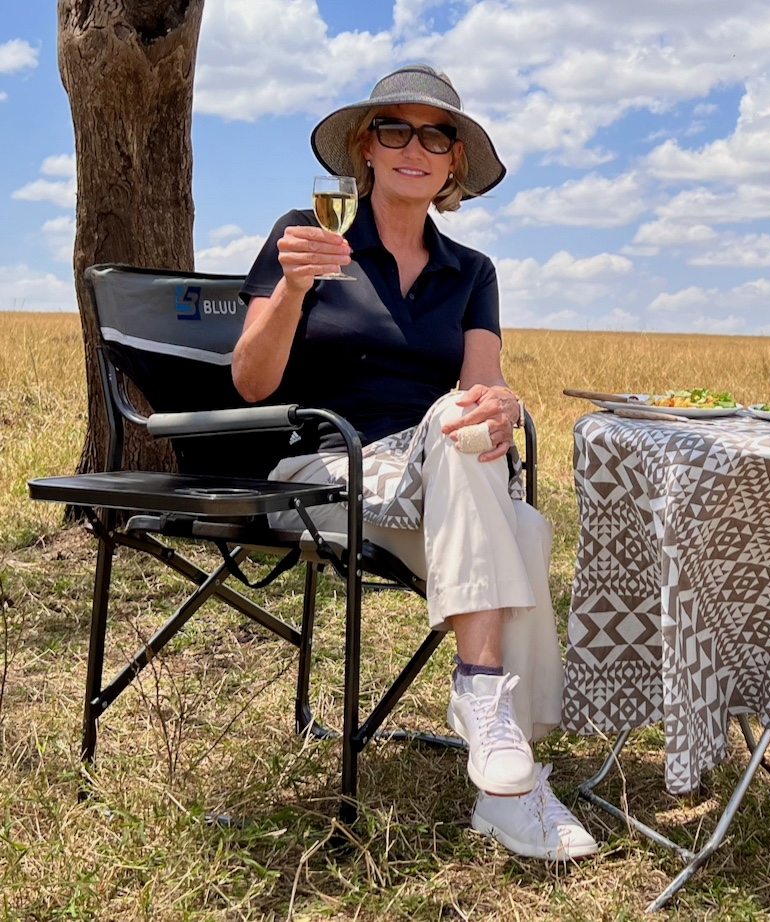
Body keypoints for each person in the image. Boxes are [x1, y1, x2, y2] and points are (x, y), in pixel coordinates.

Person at [232, 64, 597, 861]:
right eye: (394, 129)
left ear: (453, 164)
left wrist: (498, 408)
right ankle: (504, 746)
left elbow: (482, 389)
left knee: (510, 500)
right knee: (518, 523)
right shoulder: (309, 236)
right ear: (365, 149)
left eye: (436, 136)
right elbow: (251, 381)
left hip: (434, 479)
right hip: (325, 473)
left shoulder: (472, 274)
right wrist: (293, 290)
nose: (414, 147)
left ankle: (503, 773)